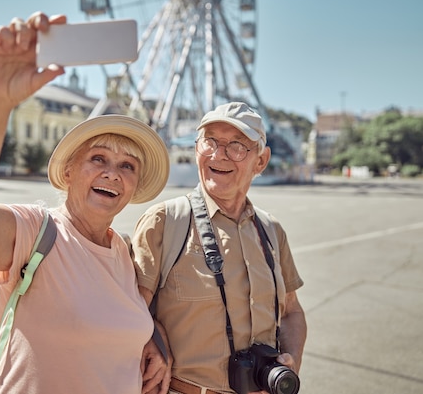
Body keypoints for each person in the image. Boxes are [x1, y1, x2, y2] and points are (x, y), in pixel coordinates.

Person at [0, 12, 169, 394]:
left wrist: (152, 339)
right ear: (68, 173)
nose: (112, 173)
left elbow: (113, 323)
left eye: (127, 166)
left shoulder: (124, 254)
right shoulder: (37, 232)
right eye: (98, 159)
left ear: (134, 185)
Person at [132, 102, 307, 394]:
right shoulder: (165, 222)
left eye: (237, 146)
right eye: (209, 141)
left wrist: (290, 366)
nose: (218, 154)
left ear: (261, 161)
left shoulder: (271, 230)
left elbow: (291, 313)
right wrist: (152, 332)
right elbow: (127, 310)